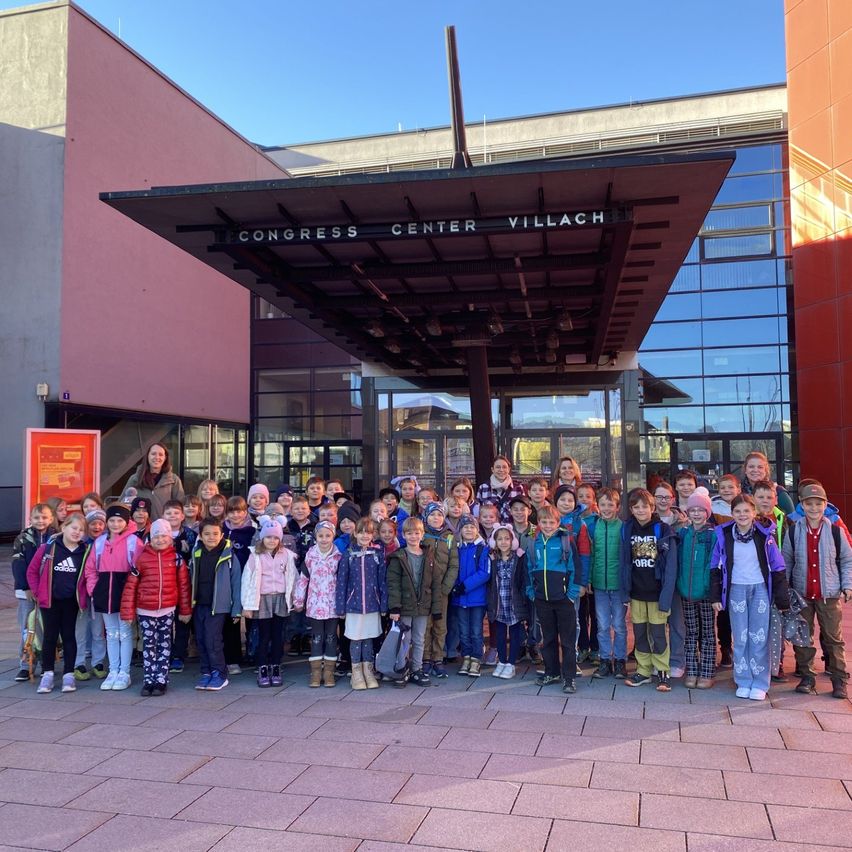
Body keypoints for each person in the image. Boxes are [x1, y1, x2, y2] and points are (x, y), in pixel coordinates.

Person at [711, 494, 790, 701]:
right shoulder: (724, 534)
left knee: (759, 637)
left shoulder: (765, 535)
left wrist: (782, 597)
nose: (742, 515)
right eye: (738, 511)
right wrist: (715, 595)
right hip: (736, 589)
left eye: (746, 510)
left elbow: (778, 565)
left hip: (760, 590)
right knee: (741, 637)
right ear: (732, 513)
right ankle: (743, 679)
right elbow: (715, 565)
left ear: (754, 512)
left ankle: (760, 682)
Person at [782, 482, 852, 699]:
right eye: (809, 504)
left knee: (833, 638)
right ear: (802, 505)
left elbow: (847, 560)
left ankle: (839, 679)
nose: (814, 508)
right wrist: (785, 590)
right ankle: (807, 676)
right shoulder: (794, 530)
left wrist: (847, 585)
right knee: (803, 637)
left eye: (818, 504)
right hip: (802, 594)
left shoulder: (835, 531)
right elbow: (787, 561)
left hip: (828, 594)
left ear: (825, 505)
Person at [120, 518, 191, 696]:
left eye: (164, 537)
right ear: (150, 539)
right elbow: (131, 586)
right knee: (149, 645)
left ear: (170, 538)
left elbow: (184, 587)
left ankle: (161, 680)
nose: (160, 540)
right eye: (156, 537)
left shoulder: (176, 559)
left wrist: (185, 610)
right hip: (145, 609)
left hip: (167, 609)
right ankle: (148, 679)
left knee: (164, 644)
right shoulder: (142, 558)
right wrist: (127, 612)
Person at [620, 488, 677, 692]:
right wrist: (625, 591)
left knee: (659, 633)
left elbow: (670, 567)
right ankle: (643, 671)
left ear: (652, 507)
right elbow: (624, 561)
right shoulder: (627, 529)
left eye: (645, 506)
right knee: (639, 634)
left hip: (657, 593)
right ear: (631, 510)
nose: (641, 510)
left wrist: (666, 596)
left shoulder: (662, 530)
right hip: (636, 593)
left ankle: (663, 671)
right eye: (636, 507)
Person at [27, 513, 91, 694]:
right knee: (50, 637)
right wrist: (38, 592)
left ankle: (69, 674)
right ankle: (47, 674)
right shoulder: (48, 548)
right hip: (50, 601)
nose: (77, 532)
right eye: (73, 528)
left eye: (81, 530)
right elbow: (32, 571)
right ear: (64, 528)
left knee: (69, 637)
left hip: (71, 602)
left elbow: (88, 576)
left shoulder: (84, 551)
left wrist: (85, 596)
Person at [525, 504, 585, 694]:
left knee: (567, 641)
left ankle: (569, 677)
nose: (548, 525)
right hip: (542, 599)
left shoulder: (566, 540)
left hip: (564, 600)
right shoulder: (534, 543)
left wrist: (572, 593)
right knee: (548, 639)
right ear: (539, 523)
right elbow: (528, 569)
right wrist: (531, 592)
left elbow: (576, 567)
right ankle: (552, 672)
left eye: (552, 521)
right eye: (544, 522)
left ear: (558, 522)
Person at [84, 505, 142, 691]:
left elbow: (140, 570)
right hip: (104, 594)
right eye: (112, 520)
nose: (116, 524)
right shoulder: (100, 542)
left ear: (126, 522)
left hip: (123, 593)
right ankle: (113, 670)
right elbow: (91, 568)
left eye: (120, 520)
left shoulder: (134, 542)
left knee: (125, 633)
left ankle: (124, 672)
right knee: (111, 633)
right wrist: (94, 589)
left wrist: (134, 595)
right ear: (106, 522)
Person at [241, 519, 298, 688]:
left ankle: (275, 665)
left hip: (280, 598)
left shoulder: (286, 555)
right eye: (268, 537)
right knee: (264, 635)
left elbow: (292, 577)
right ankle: (262, 666)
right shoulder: (255, 556)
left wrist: (295, 599)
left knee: (278, 634)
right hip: (263, 599)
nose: (271, 541)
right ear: (262, 538)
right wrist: (247, 605)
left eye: (275, 538)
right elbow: (247, 580)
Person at [387, 517, 441, 687]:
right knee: (404, 638)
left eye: (416, 533)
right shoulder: (398, 557)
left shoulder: (429, 556)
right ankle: (401, 668)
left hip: (423, 605)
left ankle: (417, 669)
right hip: (405, 606)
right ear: (403, 535)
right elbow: (393, 584)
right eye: (409, 533)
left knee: (419, 639)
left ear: (422, 534)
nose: (413, 536)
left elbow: (435, 583)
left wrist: (436, 607)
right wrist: (395, 607)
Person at [188, 519, 242, 691]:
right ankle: (206, 672)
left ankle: (219, 672)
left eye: (215, 534)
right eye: (207, 534)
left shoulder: (229, 556)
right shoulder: (196, 553)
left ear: (222, 535)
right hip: (199, 604)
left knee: (213, 640)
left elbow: (237, 583)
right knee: (201, 639)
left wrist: (236, 610)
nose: (211, 537)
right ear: (200, 536)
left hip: (218, 606)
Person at [335, 518, 386, 690]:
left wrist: (384, 604)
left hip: (372, 604)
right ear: (355, 533)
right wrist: (340, 606)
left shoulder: (378, 555)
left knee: (369, 639)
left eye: (369, 532)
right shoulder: (348, 555)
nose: (365, 535)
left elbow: (382, 582)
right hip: (353, 605)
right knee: (356, 639)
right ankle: (356, 672)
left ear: (373, 534)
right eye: (361, 532)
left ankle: (368, 670)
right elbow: (341, 582)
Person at [677, 488, 718, 689]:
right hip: (686, 591)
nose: (696, 514)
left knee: (708, 634)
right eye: (692, 509)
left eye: (700, 510)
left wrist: (714, 591)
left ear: (707, 512)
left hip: (707, 593)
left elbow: (716, 564)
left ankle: (708, 671)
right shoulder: (683, 533)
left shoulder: (713, 535)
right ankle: (692, 670)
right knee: (691, 632)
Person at [11, 503, 57, 682]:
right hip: (27, 592)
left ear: (51, 519)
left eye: (44, 517)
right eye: (36, 517)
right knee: (27, 627)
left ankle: (48, 663)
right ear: (30, 519)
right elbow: (18, 564)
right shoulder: (23, 538)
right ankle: (26, 664)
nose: (40, 521)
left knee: (47, 627)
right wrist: (27, 587)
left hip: (49, 590)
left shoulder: (56, 537)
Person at [294, 520, 342, 688]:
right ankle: (315, 672)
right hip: (315, 604)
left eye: (327, 535)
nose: (324, 539)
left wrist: (342, 605)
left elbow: (342, 582)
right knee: (316, 637)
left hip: (332, 605)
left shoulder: (338, 556)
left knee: (330, 637)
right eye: (320, 535)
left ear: (333, 536)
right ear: (315, 536)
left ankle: (329, 672)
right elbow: (303, 579)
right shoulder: (310, 555)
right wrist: (298, 599)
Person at [590, 487, 627, 679]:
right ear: (597, 506)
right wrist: (588, 579)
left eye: (610, 504)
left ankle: (620, 660)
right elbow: (590, 554)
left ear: (617, 507)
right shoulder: (593, 526)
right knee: (602, 624)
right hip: (599, 584)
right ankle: (605, 659)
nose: (606, 508)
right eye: (602, 504)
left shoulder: (623, 528)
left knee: (619, 624)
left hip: (618, 584)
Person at [421, 502, 459, 678]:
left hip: (441, 591)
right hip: (424, 590)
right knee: (425, 625)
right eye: (432, 515)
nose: (436, 518)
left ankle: (438, 657)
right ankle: (425, 658)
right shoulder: (422, 535)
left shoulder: (450, 537)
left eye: (439, 515)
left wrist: (445, 588)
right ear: (426, 517)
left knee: (440, 625)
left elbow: (453, 565)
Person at [450, 516, 490, 677]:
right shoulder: (457, 549)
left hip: (476, 598)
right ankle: (466, 657)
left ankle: (476, 658)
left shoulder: (482, 549)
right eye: (465, 527)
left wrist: (464, 586)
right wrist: (455, 587)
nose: (468, 530)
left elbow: (484, 573)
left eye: (472, 527)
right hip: (459, 598)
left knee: (475, 630)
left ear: (477, 530)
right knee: (463, 631)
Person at [487, 525, 528, 680]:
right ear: (494, 542)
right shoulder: (492, 559)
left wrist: (523, 598)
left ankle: (511, 663)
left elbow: (524, 579)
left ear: (513, 541)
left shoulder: (518, 558)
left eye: (507, 538)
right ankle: (502, 661)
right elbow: (489, 583)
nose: (503, 542)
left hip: (514, 602)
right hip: (498, 603)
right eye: (500, 539)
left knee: (516, 633)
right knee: (500, 634)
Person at [222, 496, 258, 674]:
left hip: (249, 579)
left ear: (246, 512)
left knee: (251, 617)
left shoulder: (251, 531)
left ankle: (253, 653)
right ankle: (233, 658)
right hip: (228, 581)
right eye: (232, 511)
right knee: (232, 619)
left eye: (240, 511)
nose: (236, 515)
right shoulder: (221, 530)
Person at [125, 442, 185, 520]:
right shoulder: (135, 479)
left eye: (161, 454)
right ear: (147, 456)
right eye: (153, 454)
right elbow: (123, 503)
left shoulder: (174, 480)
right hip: (140, 528)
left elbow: (180, 506)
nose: (157, 457)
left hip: (165, 528)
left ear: (165, 458)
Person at [475, 455, 526, 522]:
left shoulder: (518, 488)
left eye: (504, 467)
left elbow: (523, 510)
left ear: (509, 469)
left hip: (511, 529)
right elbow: (478, 512)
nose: (501, 470)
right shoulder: (483, 488)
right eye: (498, 467)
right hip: (490, 530)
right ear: (492, 469)